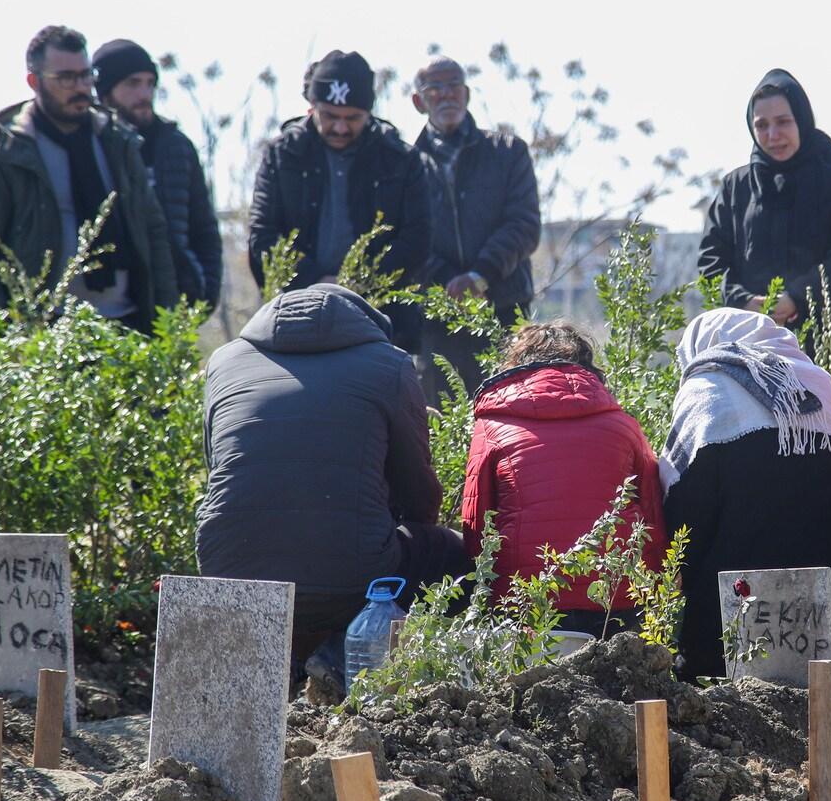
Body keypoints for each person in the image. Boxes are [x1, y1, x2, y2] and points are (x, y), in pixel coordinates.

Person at [197, 283, 470, 677]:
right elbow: (419, 491)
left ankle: (284, 666)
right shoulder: (389, 364)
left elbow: (222, 471)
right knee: (454, 557)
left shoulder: (224, 361)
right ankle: (342, 658)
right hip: (353, 576)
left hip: (230, 570)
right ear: (368, 324)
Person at [660, 308, 831, 682]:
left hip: (734, 604)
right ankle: (830, 649)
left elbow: (684, 515)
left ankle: (710, 662)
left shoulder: (705, 390)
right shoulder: (814, 386)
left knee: (696, 661)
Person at [0, 25, 177, 332]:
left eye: (86, 75)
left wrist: (167, 328)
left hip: (127, 324)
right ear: (34, 81)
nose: (81, 87)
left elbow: (153, 231)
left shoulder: (118, 143)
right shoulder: (1, 155)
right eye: (66, 78)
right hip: (45, 333)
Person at [461, 322, 667, 636]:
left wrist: (488, 595)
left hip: (525, 600)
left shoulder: (491, 427)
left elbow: (476, 527)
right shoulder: (624, 425)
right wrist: (654, 592)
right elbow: (653, 518)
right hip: (617, 597)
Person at [247, 50, 430, 352]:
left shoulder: (401, 159)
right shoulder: (282, 155)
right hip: (295, 319)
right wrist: (319, 281)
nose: (341, 128)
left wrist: (354, 283)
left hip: (384, 325)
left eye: (352, 118)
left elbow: (417, 240)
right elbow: (264, 236)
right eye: (330, 116)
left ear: (369, 113)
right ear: (312, 107)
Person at [698, 69, 831, 344]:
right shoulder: (736, 187)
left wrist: (797, 297)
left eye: (783, 122)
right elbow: (711, 263)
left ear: (801, 119)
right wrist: (744, 302)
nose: (772, 134)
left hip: (829, 338)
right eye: (762, 125)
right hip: (751, 339)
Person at [412, 56, 541, 400]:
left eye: (453, 86)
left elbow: (524, 225)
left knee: (511, 421)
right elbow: (405, 240)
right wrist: (448, 283)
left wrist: (479, 275)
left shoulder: (508, 152)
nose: (446, 95)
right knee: (441, 432)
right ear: (418, 102)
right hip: (437, 324)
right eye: (434, 88)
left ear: (467, 94)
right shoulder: (403, 165)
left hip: (504, 310)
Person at [94, 38, 223, 311]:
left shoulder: (176, 146)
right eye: (132, 83)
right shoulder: (93, 146)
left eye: (150, 83)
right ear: (105, 91)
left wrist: (205, 289)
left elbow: (204, 229)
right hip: (112, 302)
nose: (144, 93)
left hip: (174, 301)